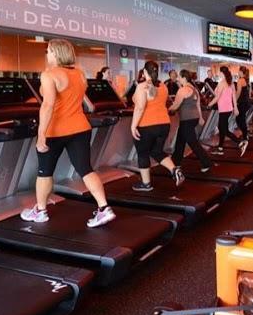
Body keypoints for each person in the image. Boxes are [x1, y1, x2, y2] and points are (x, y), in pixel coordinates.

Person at [20, 39, 116, 228]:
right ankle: (104, 208)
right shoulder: (79, 74)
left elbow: (47, 105)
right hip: (80, 128)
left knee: (45, 172)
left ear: (56, 53)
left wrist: (41, 135)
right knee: (86, 169)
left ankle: (41, 211)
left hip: (55, 130)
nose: (47, 54)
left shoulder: (49, 75)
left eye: (48, 51)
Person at [129, 61, 184, 192]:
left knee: (143, 153)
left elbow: (140, 107)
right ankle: (174, 170)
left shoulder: (142, 86)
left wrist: (133, 126)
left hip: (147, 125)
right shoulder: (163, 86)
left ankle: (146, 184)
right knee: (156, 151)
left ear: (145, 72)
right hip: (164, 125)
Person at [170, 69, 212, 173]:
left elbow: (175, 105)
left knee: (193, 142)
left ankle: (206, 163)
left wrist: (166, 110)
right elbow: (198, 105)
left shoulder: (183, 90)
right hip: (193, 118)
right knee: (180, 141)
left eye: (179, 77)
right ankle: (176, 162)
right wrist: (200, 117)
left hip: (187, 120)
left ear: (184, 78)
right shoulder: (194, 89)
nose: (178, 79)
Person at [208, 65, 248, 156]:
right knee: (222, 128)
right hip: (229, 109)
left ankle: (240, 143)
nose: (218, 73)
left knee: (224, 130)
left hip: (223, 109)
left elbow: (217, 97)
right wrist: (235, 108)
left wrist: (209, 104)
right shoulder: (231, 83)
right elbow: (233, 96)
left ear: (222, 73)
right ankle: (220, 148)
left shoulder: (222, 83)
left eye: (219, 72)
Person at [235, 66, 252, 141]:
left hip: (242, 103)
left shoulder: (240, 80)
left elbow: (238, 92)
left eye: (238, 71)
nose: (238, 72)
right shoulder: (247, 80)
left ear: (241, 72)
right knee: (241, 119)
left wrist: (234, 101)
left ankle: (245, 136)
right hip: (246, 102)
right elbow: (249, 92)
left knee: (240, 120)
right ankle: (245, 134)